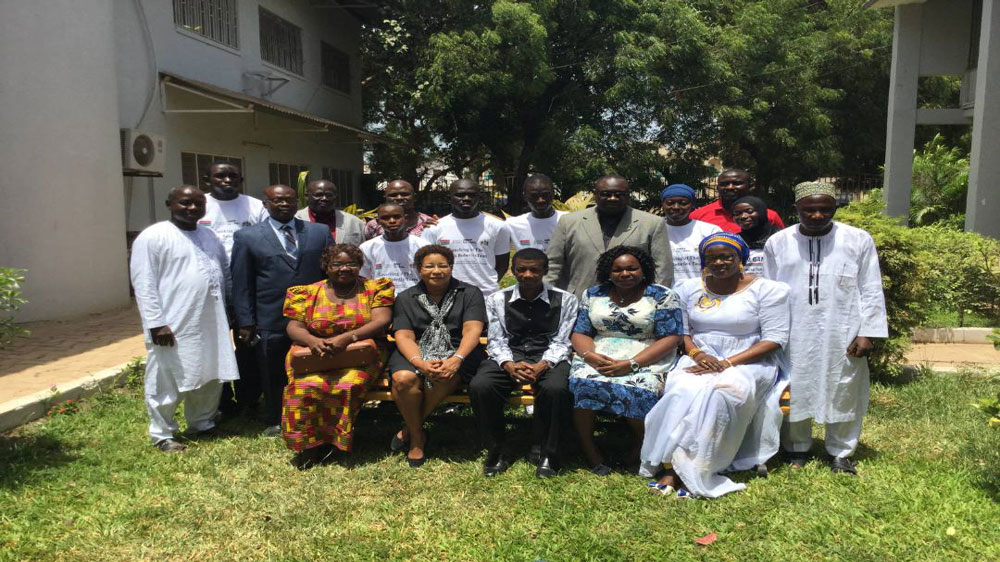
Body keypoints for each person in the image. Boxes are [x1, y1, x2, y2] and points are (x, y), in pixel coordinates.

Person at [640, 233, 791, 498]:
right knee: (682, 390)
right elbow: (682, 332)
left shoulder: (768, 290)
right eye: (712, 258)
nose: (719, 262)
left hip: (750, 360)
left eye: (726, 257)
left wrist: (726, 363)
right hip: (701, 357)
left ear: (740, 259)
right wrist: (698, 355)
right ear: (703, 261)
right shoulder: (688, 288)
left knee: (725, 391)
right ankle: (671, 464)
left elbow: (774, 340)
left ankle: (696, 468)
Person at [764, 181, 888, 476]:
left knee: (843, 386)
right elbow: (767, 291)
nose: (817, 215)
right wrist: (771, 333)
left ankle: (841, 452)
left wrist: (867, 332)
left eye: (825, 209)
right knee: (795, 384)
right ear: (796, 210)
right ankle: (796, 448)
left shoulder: (858, 239)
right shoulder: (778, 242)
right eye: (809, 210)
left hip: (843, 327)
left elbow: (870, 287)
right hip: (793, 329)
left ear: (835, 208)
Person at [130, 185, 238, 452]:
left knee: (210, 371)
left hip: (212, 319)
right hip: (173, 321)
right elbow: (144, 283)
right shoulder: (153, 236)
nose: (192, 208)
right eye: (185, 203)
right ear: (170, 203)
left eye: (198, 204)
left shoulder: (209, 236)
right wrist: (156, 323)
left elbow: (224, 274)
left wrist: (230, 309)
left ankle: (202, 422)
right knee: (166, 376)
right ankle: (162, 433)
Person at [569, 246, 683, 475]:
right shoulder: (593, 294)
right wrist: (590, 357)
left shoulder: (661, 295)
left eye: (632, 268)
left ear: (644, 270)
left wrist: (632, 364)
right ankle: (590, 450)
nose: (624, 274)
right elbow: (580, 332)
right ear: (608, 272)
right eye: (617, 270)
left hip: (646, 354)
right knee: (579, 382)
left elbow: (671, 337)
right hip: (598, 353)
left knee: (641, 387)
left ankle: (641, 446)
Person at [281, 244, 395, 469]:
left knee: (347, 384)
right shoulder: (306, 292)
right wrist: (313, 342)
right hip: (315, 353)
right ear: (326, 267)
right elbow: (293, 327)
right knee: (305, 387)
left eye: (351, 264)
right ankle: (308, 446)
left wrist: (346, 339)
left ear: (360, 266)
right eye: (337, 264)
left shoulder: (374, 288)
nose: (344, 268)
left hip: (360, 353)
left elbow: (381, 320)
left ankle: (334, 441)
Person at [231, 184, 332, 436]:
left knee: (315, 367)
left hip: (313, 316)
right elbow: (242, 283)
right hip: (270, 316)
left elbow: (330, 271)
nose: (284, 204)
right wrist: (245, 320)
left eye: (289, 200)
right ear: (266, 204)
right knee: (272, 369)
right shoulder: (248, 237)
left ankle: (316, 412)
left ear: (297, 202)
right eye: (277, 201)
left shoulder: (318, 232)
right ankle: (276, 417)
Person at [469, 248, 578, 478]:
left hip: (548, 354)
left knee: (557, 389)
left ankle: (549, 451)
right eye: (521, 269)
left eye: (534, 270)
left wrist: (543, 364)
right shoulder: (498, 299)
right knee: (482, 386)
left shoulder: (566, 299)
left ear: (545, 271)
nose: (527, 275)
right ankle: (497, 448)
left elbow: (563, 340)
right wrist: (509, 364)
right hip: (510, 353)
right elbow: (496, 339)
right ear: (513, 270)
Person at [387, 245, 488, 467]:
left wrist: (456, 359)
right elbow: (403, 335)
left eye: (443, 265)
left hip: (459, 351)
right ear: (419, 269)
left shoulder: (469, 293)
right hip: (416, 350)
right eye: (429, 266)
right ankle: (417, 432)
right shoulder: (406, 297)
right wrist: (420, 363)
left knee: (445, 374)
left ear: (451, 268)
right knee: (404, 379)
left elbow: (472, 330)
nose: (436, 271)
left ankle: (413, 436)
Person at [197, 162, 267, 418]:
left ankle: (248, 399)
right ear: (208, 179)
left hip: (247, 287)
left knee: (247, 344)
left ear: (241, 179)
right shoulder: (198, 205)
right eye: (220, 176)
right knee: (214, 345)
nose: (227, 180)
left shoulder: (255, 206)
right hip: (210, 288)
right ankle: (221, 400)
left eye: (233, 176)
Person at [546, 176, 673, 298]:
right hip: (580, 302)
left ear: (628, 196)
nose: (613, 198)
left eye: (619, 194)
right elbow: (553, 264)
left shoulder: (652, 223)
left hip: (634, 305)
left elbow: (662, 269)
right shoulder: (568, 222)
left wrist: (653, 301)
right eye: (606, 194)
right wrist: (545, 299)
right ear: (595, 194)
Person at [421, 179, 511, 297]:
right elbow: (425, 264)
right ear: (449, 199)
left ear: (479, 198)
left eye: (472, 195)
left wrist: (488, 284)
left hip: (486, 294)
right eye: (460, 195)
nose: (466, 198)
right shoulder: (435, 228)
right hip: (447, 294)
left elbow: (502, 263)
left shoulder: (498, 226)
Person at [359, 203, 429, 292]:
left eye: (397, 217)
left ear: (405, 219)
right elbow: (364, 278)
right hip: (380, 301)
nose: (392, 221)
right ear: (378, 221)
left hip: (414, 299)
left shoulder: (422, 246)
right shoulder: (367, 247)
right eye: (385, 218)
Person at [661, 183, 722, 285]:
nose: (676, 207)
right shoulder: (654, 229)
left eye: (683, 203)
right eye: (670, 203)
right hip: (663, 293)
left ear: (692, 205)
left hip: (702, 292)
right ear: (663, 204)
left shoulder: (710, 231)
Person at [691, 169, 785, 233]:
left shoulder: (770, 216)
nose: (730, 187)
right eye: (724, 184)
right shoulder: (698, 216)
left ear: (750, 186)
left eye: (737, 183)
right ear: (717, 188)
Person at [294, 179, 366, 246]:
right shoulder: (294, 220)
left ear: (336, 197)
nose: (324, 198)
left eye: (329, 195)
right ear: (307, 196)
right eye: (318, 195)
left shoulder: (353, 222)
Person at [506, 174, 566, 252]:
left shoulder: (568, 221)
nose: (541, 200)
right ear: (525, 197)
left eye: (545, 195)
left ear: (553, 194)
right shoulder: (512, 225)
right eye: (534, 196)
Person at [364, 179, 438, 239]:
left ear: (414, 197)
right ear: (385, 198)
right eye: (393, 195)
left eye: (405, 194)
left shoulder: (428, 222)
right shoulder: (373, 226)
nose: (399, 198)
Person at [732, 196, 783, 276]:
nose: (743, 216)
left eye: (749, 211)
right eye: (737, 214)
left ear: (761, 211)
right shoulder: (735, 241)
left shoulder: (779, 237)